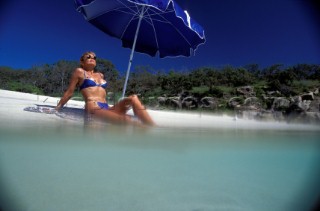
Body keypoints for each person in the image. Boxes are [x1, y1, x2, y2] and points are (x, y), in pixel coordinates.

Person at [55, 51, 155, 126]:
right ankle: (146, 130)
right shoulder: (79, 71)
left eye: (94, 57)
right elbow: (69, 92)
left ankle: (152, 127)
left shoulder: (100, 75)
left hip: (106, 107)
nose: (92, 58)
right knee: (127, 120)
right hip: (93, 107)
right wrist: (57, 108)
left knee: (133, 98)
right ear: (82, 62)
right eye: (88, 57)